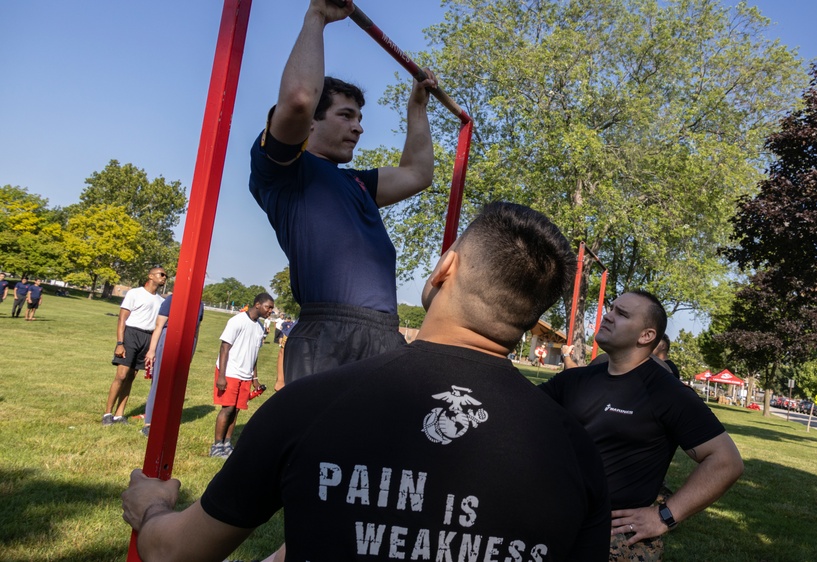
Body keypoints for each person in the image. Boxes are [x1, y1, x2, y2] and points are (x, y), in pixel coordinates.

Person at [122, 202, 611, 561]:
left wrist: (151, 509)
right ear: (535, 313)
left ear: (446, 269)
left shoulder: (312, 405)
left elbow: (177, 553)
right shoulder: (574, 449)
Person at [250, 0, 437, 383]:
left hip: (385, 334)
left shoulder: (357, 183)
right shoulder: (286, 171)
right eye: (346, 115)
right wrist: (317, 17)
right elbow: (300, 101)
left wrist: (417, 107)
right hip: (329, 337)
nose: (358, 128)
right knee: (320, 443)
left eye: (360, 118)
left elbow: (418, 173)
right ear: (312, 125)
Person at [540, 290, 744, 561]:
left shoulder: (667, 393)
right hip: (553, 521)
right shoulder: (575, 380)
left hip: (612, 537)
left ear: (646, 336)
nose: (607, 317)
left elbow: (727, 461)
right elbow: (522, 410)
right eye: (611, 309)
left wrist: (665, 516)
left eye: (621, 314)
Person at [210, 293, 274, 458]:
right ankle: (216, 445)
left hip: (245, 375)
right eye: (269, 307)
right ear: (258, 304)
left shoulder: (260, 327)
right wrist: (222, 376)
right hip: (230, 372)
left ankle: (227, 443)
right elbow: (225, 348)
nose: (271, 311)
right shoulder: (237, 321)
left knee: (236, 410)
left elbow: (254, 355)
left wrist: (255, 378)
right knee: (228, 408)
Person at [102, 267, 167, 425]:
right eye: (162, 274)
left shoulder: (161, 301)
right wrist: (120, 343)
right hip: (131, 334)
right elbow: (122, 319)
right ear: (150, 276)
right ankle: (107, 414)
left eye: (166, 276)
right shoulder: (135, 293)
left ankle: (119, 414)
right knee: (121, 376)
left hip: (147, 337)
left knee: (131, 377)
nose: (165, 277)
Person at [141, 294, 205, 437]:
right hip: (168, 338)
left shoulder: (200, 304)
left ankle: (167, 420)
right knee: (159, 381)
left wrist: (191, 352)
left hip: (187, 342)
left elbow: (196, 330)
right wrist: (151, 350)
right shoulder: (173, 299)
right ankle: (149, 422)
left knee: (176, 385)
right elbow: (159, 325)